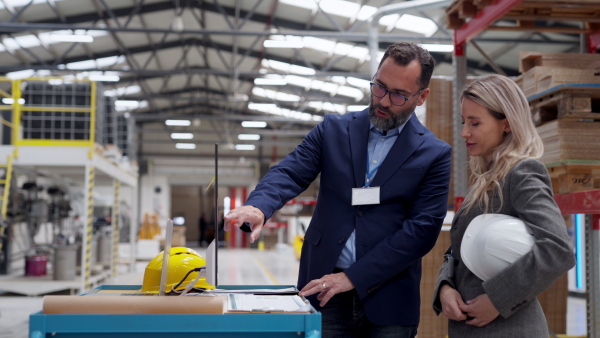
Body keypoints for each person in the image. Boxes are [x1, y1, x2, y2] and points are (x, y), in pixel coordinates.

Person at [225, 42, 452, 337]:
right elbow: (290, 170)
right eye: (379, 87)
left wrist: (351, 278)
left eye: (398, 95)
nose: (383, 101)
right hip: (323, 289)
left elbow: (421, 231)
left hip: (390, 298)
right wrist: (259, 206)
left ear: (422, 97)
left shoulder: (434, 153)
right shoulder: (333, 129)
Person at [433, 74, 575, 337]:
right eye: (464, 122)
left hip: (508, 328)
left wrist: (498, 299)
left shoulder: (522, 173)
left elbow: (558, 249)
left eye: (475, 123)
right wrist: (445, 286)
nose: (464, 132)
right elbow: (459, 248)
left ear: (507, 124)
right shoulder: (485, 180)